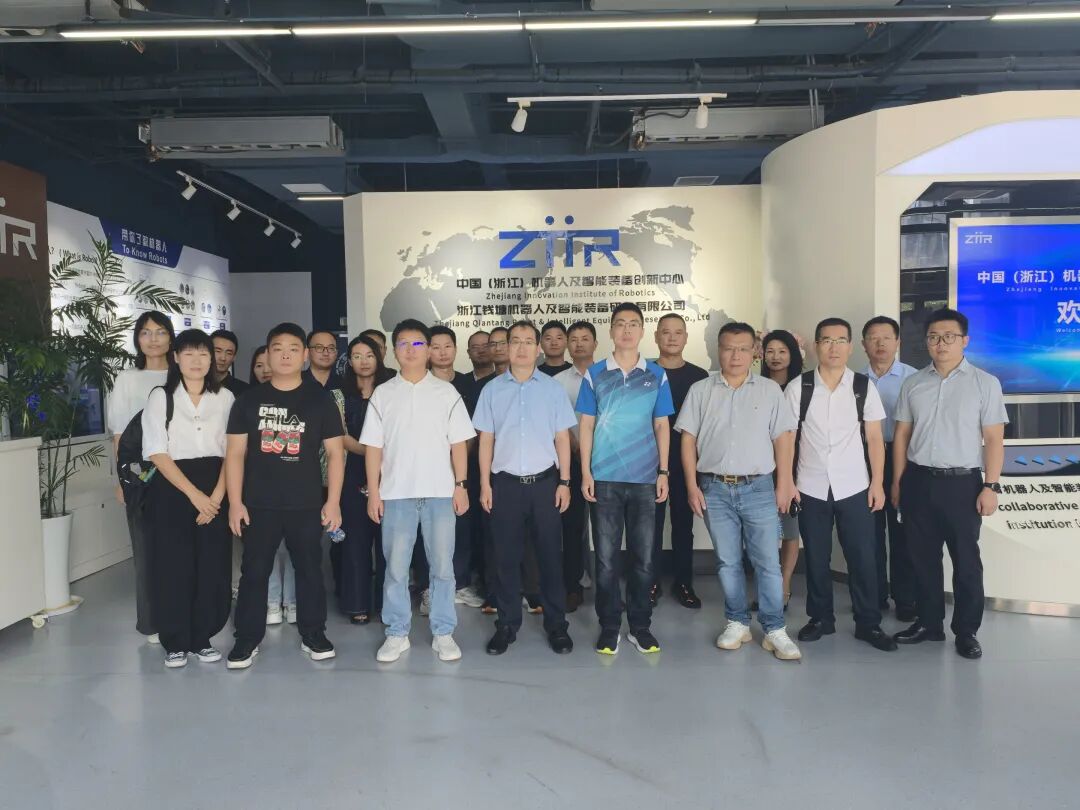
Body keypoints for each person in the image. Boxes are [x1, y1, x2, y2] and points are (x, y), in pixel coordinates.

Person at [677, 322, 802, 661]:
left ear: (754, 353)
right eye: (729, 348)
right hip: (714, 488)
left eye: (743, 349)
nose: (735, 355)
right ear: (719, 350)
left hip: (759, 487)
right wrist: (691, 486)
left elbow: (783, 438)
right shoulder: (701, 390)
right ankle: (737, 622)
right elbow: (688, 440)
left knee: (768, 562)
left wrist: (785, 483)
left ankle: (774, 629)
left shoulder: (769, 391)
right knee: (727, 561)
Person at [225, 322, 344, 669]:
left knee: (309, 570)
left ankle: (314, 634)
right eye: (278, 349)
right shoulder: (248, 401)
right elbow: (235, 454)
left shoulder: (320, 400)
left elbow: (335, 454)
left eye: (293, 349)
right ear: (267, 354)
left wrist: (333, 501)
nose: (286, 355)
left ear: (305, 355)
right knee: (254, 572)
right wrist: (235, 502)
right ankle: (247, 639)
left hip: (306, 503)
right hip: (258, 503)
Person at [891, 308, 1007, 660]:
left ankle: (966, 631)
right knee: (922, 559)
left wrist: (991, 486)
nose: (940, 343)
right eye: (933, 337)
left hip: (962, 485)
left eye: (949, 337)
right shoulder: (913, 383)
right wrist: (898, 482)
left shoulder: (985, 383)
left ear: (964, 340)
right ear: (926, 342)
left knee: (966, 562)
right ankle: (929, 623)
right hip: (918, 480)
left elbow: (994, 439)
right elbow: (902, 436)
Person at [361, 319, 475, 664]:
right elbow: (373, 448)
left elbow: (458, 444)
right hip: (396, 494)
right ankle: (397, 632)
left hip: (440, 493)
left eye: (417, 344)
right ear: (393, 351)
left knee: (442, 567)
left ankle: (443, 632)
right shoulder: (383, 394)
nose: (410, 350)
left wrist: (461, 485)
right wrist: (375, 492)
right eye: (403, 344)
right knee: (395, 569)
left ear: (427, 350)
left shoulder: (446, 392)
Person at [786, 318, 896, 652]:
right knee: (816, 556)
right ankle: (821, 619)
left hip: (855, 486)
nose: (833, 347)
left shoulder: (863, 386)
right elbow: (787, 438)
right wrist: (787, 482)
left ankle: (868, 623)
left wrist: (877, 483)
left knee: (863, 556)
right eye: (827, 340)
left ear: (850, 346)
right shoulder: (799, 387)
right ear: (816, 346)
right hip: (810, 485)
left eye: (840, 341)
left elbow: (875, 438)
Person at [475, 321, 577, 655]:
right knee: (505, 559)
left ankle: (557, 626)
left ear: (538, 348)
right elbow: (485, 440)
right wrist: (485, 484)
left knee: (550, 558)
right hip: (505, 486)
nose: (521, 347)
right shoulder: (492, 390)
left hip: (545, 485)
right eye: (515, 341)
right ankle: (506, 625)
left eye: (528, 341)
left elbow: (562, 438)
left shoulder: (552, 389)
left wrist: (565, 481)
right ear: (507, 347)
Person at [577, 303, 673, 656]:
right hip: (604, 478)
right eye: (620, 324)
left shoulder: (656, 375)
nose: (627, 330)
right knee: (605, 559)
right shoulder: (595, 374)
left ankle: (640, 626)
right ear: (611, 331)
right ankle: (609, 626)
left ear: (643, 331)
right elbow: (586, 425)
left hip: (645, 478)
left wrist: (663, 472)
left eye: (634, 324)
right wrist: (585, 472)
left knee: (644, 558)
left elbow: (661, 425)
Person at [142, 329, 234, 668]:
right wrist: (196, 496)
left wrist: (216, 498)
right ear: (176, 358)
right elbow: (156, 451)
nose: (197, 360)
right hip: (173, 488)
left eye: (204, 353)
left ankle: (202, 638)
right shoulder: (161, 397)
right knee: (173, 566)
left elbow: (233, 452)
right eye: (189, 353)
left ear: (212, 359)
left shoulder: (225, 398)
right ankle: (175, 640)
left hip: (216, 486)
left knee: (212, 564)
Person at [107, 310, 175, 646]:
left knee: (178, 547)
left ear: (171, 337)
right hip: (141, 473)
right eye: (146, 332)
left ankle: (181, 613)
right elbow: (120, 435)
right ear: (137, 338)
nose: (153, 339)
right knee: (146, 549)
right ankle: (152, 621)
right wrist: (122, 480)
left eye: (160, 332)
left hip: (179, 471)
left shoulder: (181, 374)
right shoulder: (126, 379)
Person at [861, 316, 918, 622]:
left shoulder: (913, 379)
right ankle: (875, 595)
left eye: (886, 337)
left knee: (903, 532)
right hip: (862, 460)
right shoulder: (853, 380)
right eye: (873, 338)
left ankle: (906, 598)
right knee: (868, 533)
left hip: (902, 458)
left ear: (897, 342)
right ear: (863, 344)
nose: (880, 343)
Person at [652, 313, 708, 609]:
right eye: (665, 332)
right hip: (650, 462)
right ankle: (650, 582)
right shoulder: (645, 372)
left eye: (678, 332)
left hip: (688, 462)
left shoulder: (699, 377)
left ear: (686, 337)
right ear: (656, 337)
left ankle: (684, 582)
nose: (671, 338)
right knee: (650, 526)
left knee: (684, 525)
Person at [426, 325, 485, 609]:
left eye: (447, 346)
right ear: (428, 351)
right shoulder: (420, 384)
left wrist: (459, 461)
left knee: (462, 527)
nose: (442, 352)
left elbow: (474, 429)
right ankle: (428, 588)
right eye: (435, 347)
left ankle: (460, 584)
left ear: (456, 349)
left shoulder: (469, 385)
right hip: (429, 469)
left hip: (464, 469)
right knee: (428, 530)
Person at [338, 334, 391, 624]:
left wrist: (378, 454)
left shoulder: (391, 391)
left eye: (369, 355)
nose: (364, 361)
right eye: (357, 356)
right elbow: (340, 437)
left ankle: (386, 604)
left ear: (379, 358)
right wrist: (372, 451)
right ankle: (357, 603)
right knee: (355, 542)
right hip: (351, 472)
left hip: (390, 473)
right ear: (349, 361)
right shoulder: (339, 395)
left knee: (388, 544)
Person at [554, 321, 598, 611]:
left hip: (604, 464)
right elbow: (555, 420)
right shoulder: (557, 381)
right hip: (569, 462)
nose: (579, 343)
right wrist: (574, 444)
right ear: (568, 345)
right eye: (574, 339)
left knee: (605, 531)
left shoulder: (607, 376)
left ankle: (606, 590)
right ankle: (572, 587)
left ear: (595, 343)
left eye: (585, 338)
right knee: (570, 529)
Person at [761, 329, 804, 606]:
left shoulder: (801, 387)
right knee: (763, 532)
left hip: (793, 465)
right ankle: (768, 586)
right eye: (770, 351)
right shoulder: (755, 385)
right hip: (761, 467)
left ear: (793, 354)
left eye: (782, 351)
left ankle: (784, 586)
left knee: (789, 529)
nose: (775, 357)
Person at [211, 328, 249, 397]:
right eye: (218, 351)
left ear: (234, 357)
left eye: (229, 353)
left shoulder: (245, 391)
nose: (223, 358)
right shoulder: (196, 386)